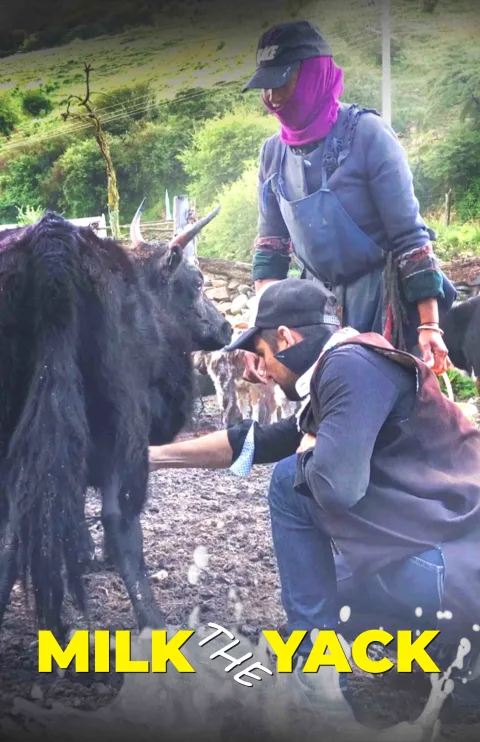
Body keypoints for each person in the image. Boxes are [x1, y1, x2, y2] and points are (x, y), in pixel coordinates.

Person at [149, 278, 480, 707]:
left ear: (286, 338)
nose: (261, 371)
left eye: (264, 355)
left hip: (455, 567)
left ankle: (316, 677)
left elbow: (337, 488)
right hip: (452, 564)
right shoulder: (350, 370)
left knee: (291, 482)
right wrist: (154, 458)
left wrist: (308, 451)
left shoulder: (351, 367)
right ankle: (444, 649)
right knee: (332, 588)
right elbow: (254, 442)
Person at [240, 19, 456, 386]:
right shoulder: (273, 154)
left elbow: (410, 238)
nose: (272, 99)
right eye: (266, 87)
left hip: (381, 300)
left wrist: (429, 325)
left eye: (282, 83)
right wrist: (259, 333)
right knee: (325, 407)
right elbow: (271, 251)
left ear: (313, 76)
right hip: (316, 312)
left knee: (388, 406)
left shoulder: (368, 136)